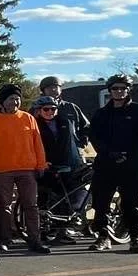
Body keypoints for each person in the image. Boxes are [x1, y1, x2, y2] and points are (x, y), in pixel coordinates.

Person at [0, 84, 51, 255]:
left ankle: (35, 240)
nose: (15, 101)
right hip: (2, 169)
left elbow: (38, 144)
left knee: (31, 205)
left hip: (27, 169)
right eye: (11, 98)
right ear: (2, 101)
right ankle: (4, 239)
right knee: (3, 206)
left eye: (17, 98)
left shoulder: (28, 118)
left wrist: (41, 165)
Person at [87, 75, 138, 255]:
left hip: (132, 164)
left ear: (128, 90)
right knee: (101, 202)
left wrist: (129, 155)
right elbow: (94, 136)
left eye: (123, 88)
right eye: (115, 88)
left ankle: (135, 238)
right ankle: (103, 236)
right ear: (109, 90)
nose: (119, 91)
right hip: (106, 164)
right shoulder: (101, 113)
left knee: (133, 202)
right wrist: (109, 153)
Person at [34, 94, 87, 243]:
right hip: (48, 166)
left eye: (53, 109)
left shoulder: (65, 122)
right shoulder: (35, 125)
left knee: (69, 196)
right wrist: (44, 161)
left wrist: (83, 144)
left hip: (70, 164)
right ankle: (44, 231)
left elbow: (72, 143)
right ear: (39, 110)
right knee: (48, 198)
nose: (50, 111)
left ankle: (63, 232)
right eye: (46, 109)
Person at [39, 76, 90, 147]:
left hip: (72, 151)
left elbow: (86, 127)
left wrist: (82, 142)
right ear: (43, 91)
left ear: (61, 89)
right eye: (49, 88)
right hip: (46, 151)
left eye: (56, 87)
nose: (53, 89)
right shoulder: (37, 109)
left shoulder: (71, 107)